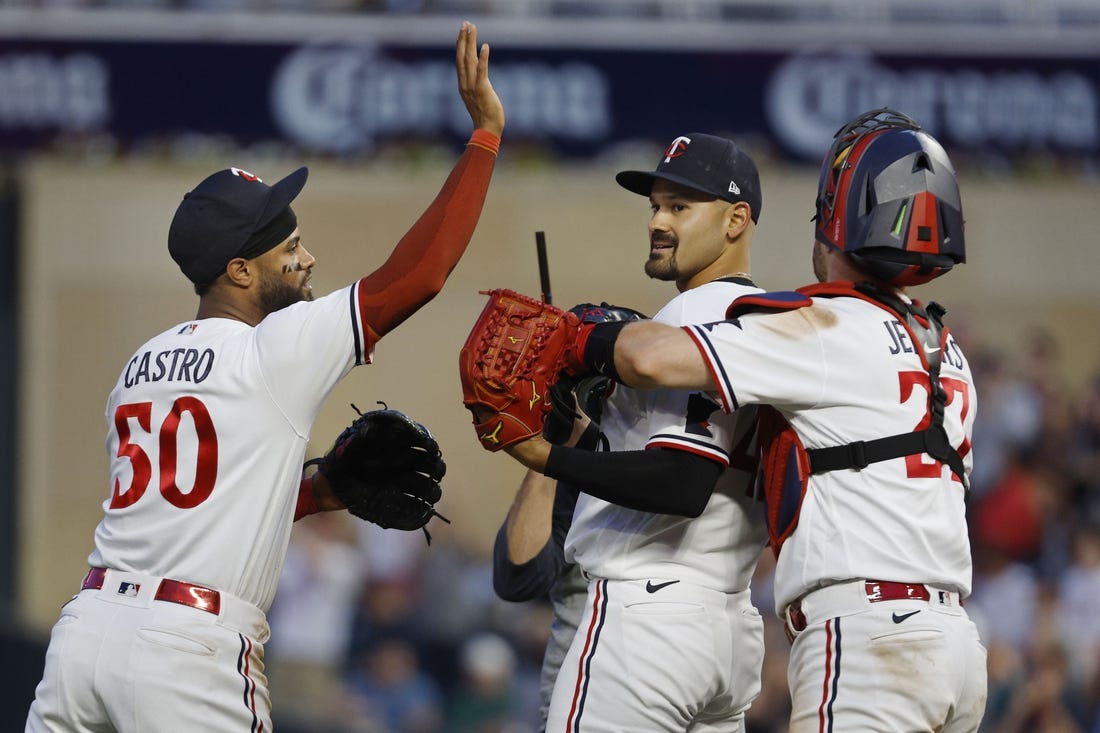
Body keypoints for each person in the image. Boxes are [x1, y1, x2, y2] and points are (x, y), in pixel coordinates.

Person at [24, 20, 504, 732]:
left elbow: (193, 510)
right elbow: (421, 274)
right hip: (188, 649)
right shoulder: (273, 347)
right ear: (239, 270)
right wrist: (485, 138)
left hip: (83, 638)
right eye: (290, 248)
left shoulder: (139, 366)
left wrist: (321, 490)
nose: (306, 259)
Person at [510, 108, 987, 731]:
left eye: (678, 206)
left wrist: (577, 342)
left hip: (856, 636)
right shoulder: (943, 349)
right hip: (946, 641)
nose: (658, 220)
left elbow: (653, 363)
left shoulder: (818, 326)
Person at [491, 133, 769, 732]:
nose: (657, 222)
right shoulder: (770, 325)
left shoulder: (690, 321)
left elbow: (681, 480)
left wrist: (542, 453)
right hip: (730, 623)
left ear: (736, 220)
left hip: (646, 619)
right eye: (655, 206)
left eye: (680, 207)